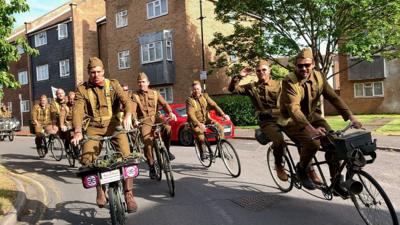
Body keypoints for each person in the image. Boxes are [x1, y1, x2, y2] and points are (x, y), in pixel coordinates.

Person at [279, 48, 362, 195]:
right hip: (291, 120)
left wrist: (351, 117)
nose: (304, 68)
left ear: (313, 64)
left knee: (335, 144)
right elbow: (294, 110)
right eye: (300, 66)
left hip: (313, 117)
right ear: (295, 66)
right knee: (313, 142)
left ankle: (336, 181)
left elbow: (334, 98)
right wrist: (312, 130)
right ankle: (302, 169)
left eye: (307, 65)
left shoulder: (319, 77)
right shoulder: (289, 81)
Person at [70, 57, 137, 212]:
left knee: (127, 157)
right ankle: (100, 189)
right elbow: (78, 110)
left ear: (103, 71)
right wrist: (78, 131)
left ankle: (129, 194)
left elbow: (126, 101)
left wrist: (127, 115)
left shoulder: (113, 84)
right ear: (88, 72)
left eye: (99, 72)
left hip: (113, 125)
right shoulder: (82, 89)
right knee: (87, 160)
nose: (96, 75)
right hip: (93, 127)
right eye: (92, 72)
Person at [228, 59, 288, 181]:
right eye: (258, 71)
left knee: (303, 136)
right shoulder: (251, 87)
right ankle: (278, 166)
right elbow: (232, 89)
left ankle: (306, 168)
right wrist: (239, 76)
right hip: (266, 121)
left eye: (264, 70)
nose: (261, 72)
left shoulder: (279, 84)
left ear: (269, 71)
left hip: (283, 118)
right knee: (279, 140)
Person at [129, 72, 177, 179]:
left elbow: (164, 104)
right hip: (144, 121)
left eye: (143, 82)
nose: (141, 84)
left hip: (155, 118)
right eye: (139, 82)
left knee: (167, 128)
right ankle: (151, 166)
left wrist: (170, 112)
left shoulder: (155, 93)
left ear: (148, 82)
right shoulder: (135, 96)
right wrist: (135, 120)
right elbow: (132, 110)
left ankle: (167, 151)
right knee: (147, 142)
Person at [186, 80, 230, 160]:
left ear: (201, 89)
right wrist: (199, 124)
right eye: (194, 89)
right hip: (195, 123)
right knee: (201, 137)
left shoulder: (205, 96)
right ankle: (203, 152)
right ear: (192, 90)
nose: (196, 91)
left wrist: (223, 114)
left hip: (207, 120)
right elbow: (191, 114)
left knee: (220, 128)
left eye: (198, 89)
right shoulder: (190, 100)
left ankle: (221, 151)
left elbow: (214, 105)